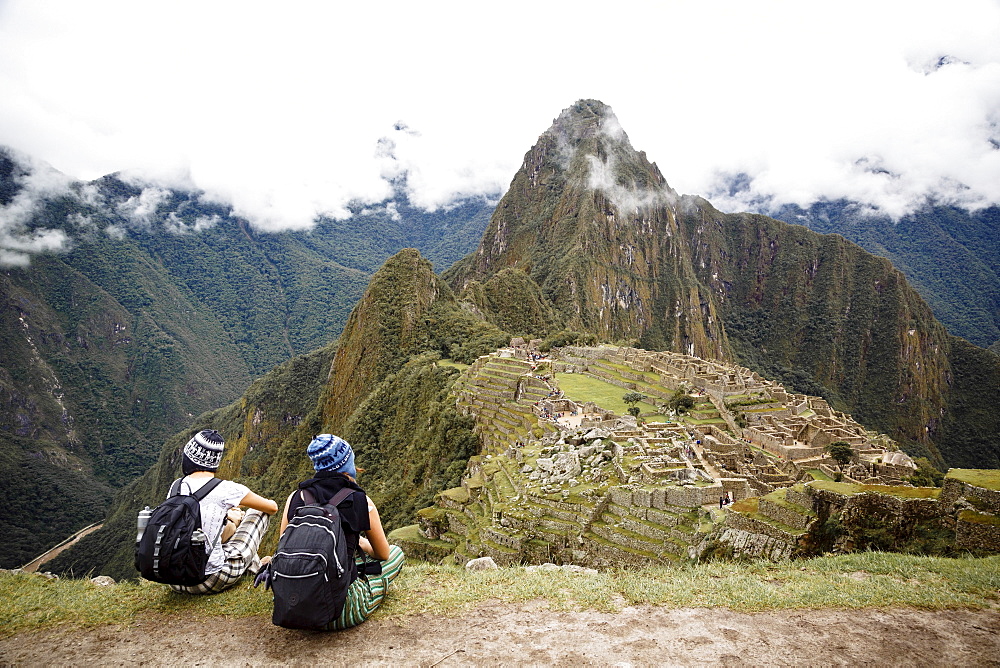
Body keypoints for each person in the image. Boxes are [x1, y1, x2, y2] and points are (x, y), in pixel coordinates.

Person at [266, 434, 405, 630]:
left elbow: (284, 545)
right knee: (396, 553)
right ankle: (368, 591)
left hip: (294, 606)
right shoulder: (360, 500)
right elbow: (383, 553)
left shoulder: (296, 497)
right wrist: (361, 543)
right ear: (346, 462)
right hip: (343, 612)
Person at [168, 429, 278, 595]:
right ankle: (256, 566)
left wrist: (227, 511)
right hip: (209, 579)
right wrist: (235, 509)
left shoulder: (177, 486)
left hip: (173, 579)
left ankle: (255, 566)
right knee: (258, 512)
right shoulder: (226, 489)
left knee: (213, 531)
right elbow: (271, 507)